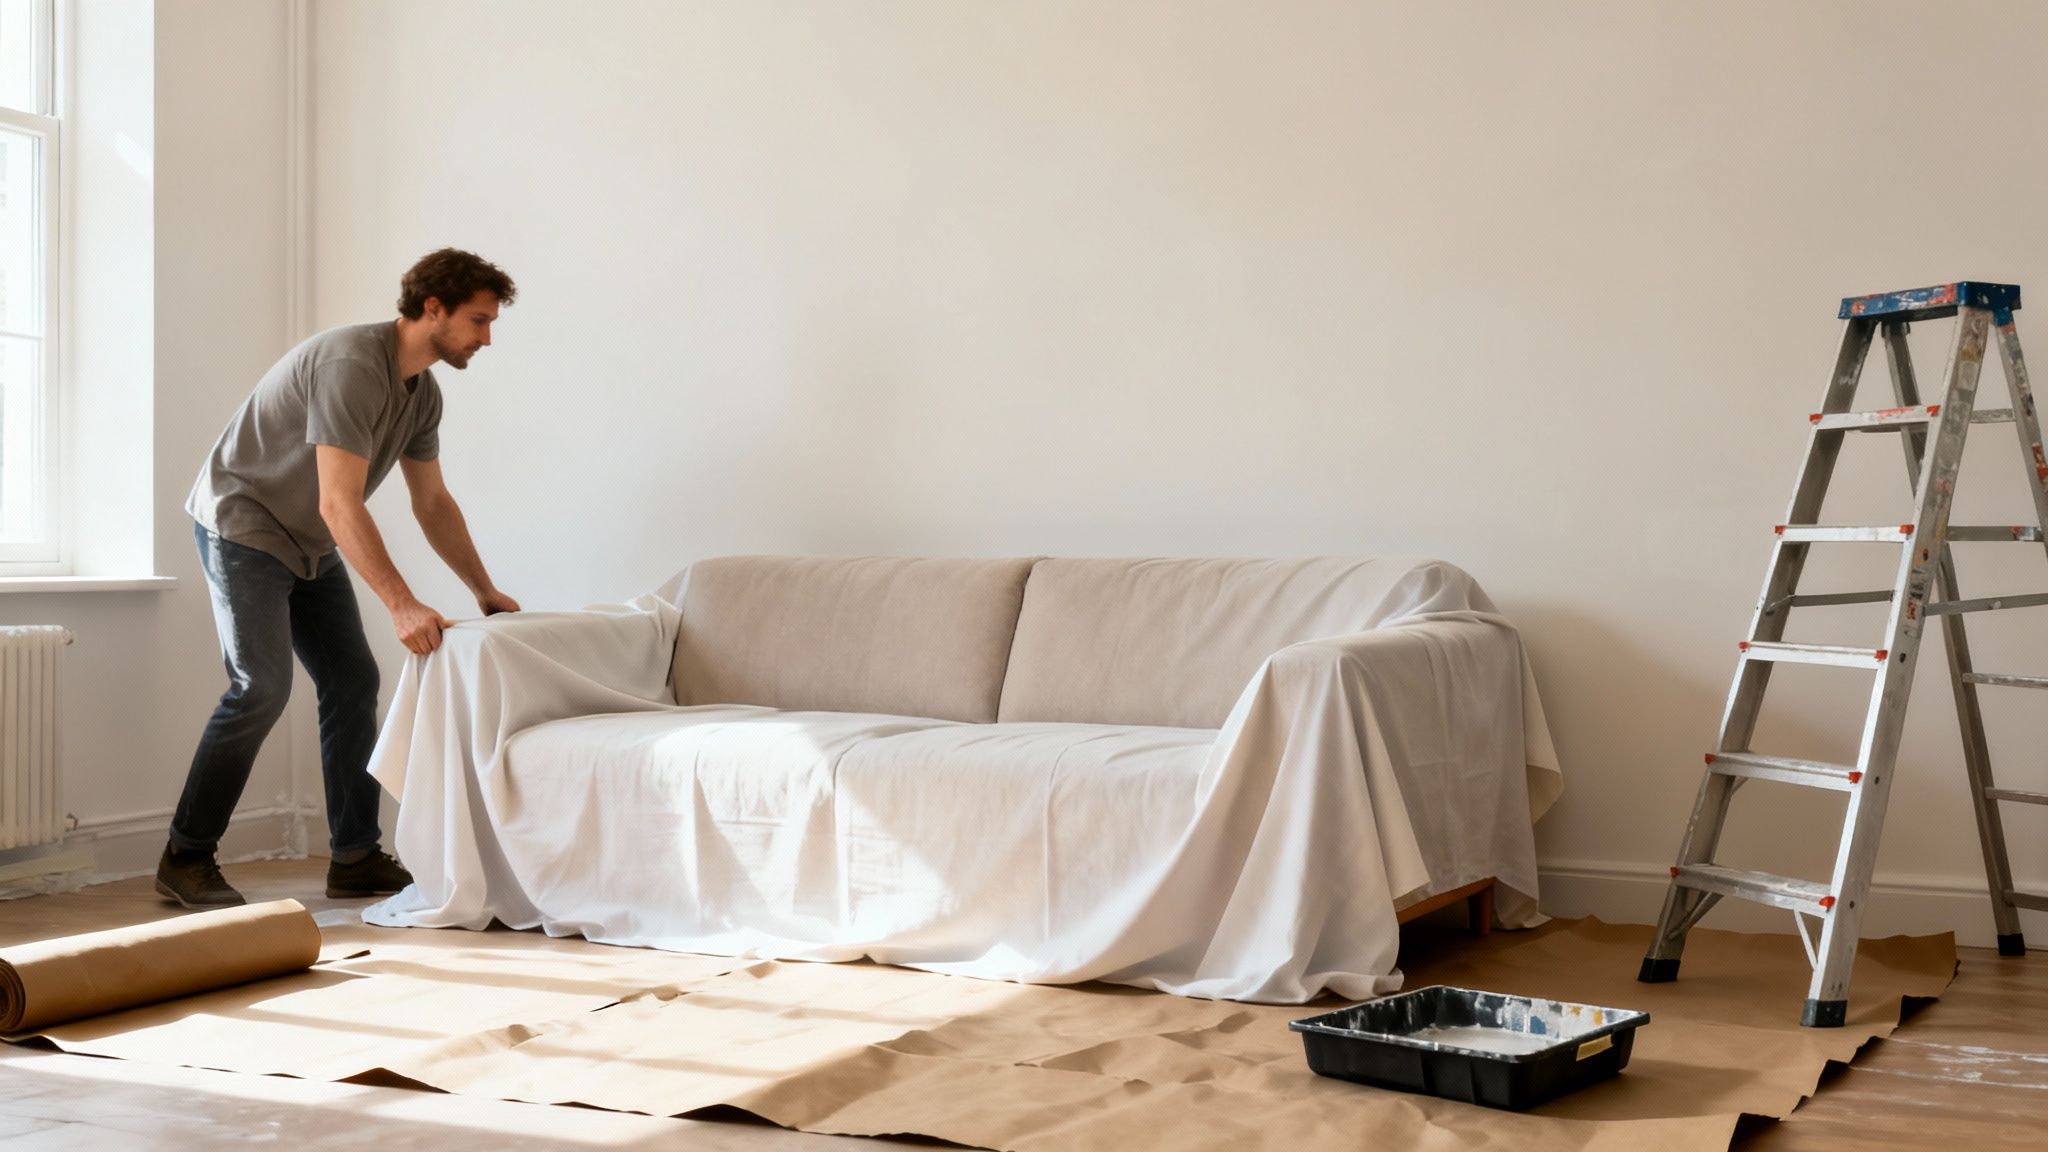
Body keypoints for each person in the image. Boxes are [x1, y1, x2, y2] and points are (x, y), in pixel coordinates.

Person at [160, 248, 522, 908]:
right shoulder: (352, 364)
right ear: (432, 308)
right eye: (478, 320)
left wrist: (483, 589)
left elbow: (432, 503)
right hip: (244, 523)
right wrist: (402, 604)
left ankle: (354, 855)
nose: (487, 337)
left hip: (311, 540)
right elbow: (339, 500)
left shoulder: (422, 395)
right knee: (261, 686)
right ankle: (185, 855)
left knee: (354, 680)